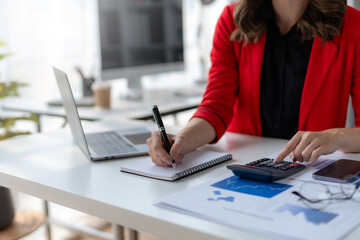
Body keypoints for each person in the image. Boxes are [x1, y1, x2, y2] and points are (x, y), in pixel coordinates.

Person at [147, 0, 360, 167]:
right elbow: (215, 107)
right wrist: (182, 140)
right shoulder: (231, 20)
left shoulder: (353, 26)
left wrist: (338, 136)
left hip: (311, 172)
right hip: (246, 168)